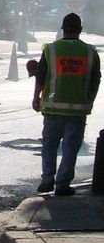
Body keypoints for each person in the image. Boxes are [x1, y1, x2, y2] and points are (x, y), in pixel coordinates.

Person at [33, 12, 100, 196]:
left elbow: (40, 76)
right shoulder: (90, 52)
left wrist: (36, 97)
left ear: (63, 30)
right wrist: (89, 101)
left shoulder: (51, 50)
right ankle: (62, 184)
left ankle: (47, 180)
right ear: (80, 30)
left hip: (53, 109)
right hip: (78, 111)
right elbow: (96, 81)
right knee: (71, 148)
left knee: (49, 144)